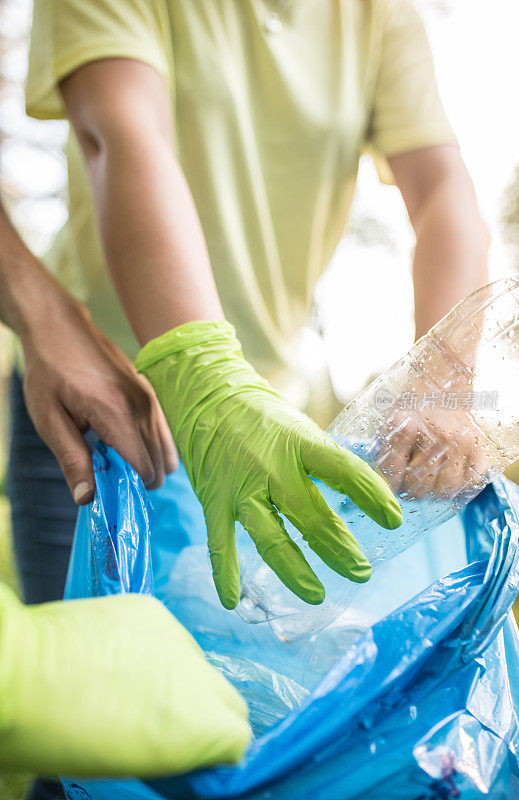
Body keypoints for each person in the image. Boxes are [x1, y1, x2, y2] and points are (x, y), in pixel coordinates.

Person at [2, 0, 488, 794]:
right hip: (104, 397)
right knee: (91, 732)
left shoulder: (374, 18)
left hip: (273, 413)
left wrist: (442, 377)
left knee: (262, 711)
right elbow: (122, 131)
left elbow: (440, 188)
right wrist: (203, 371)